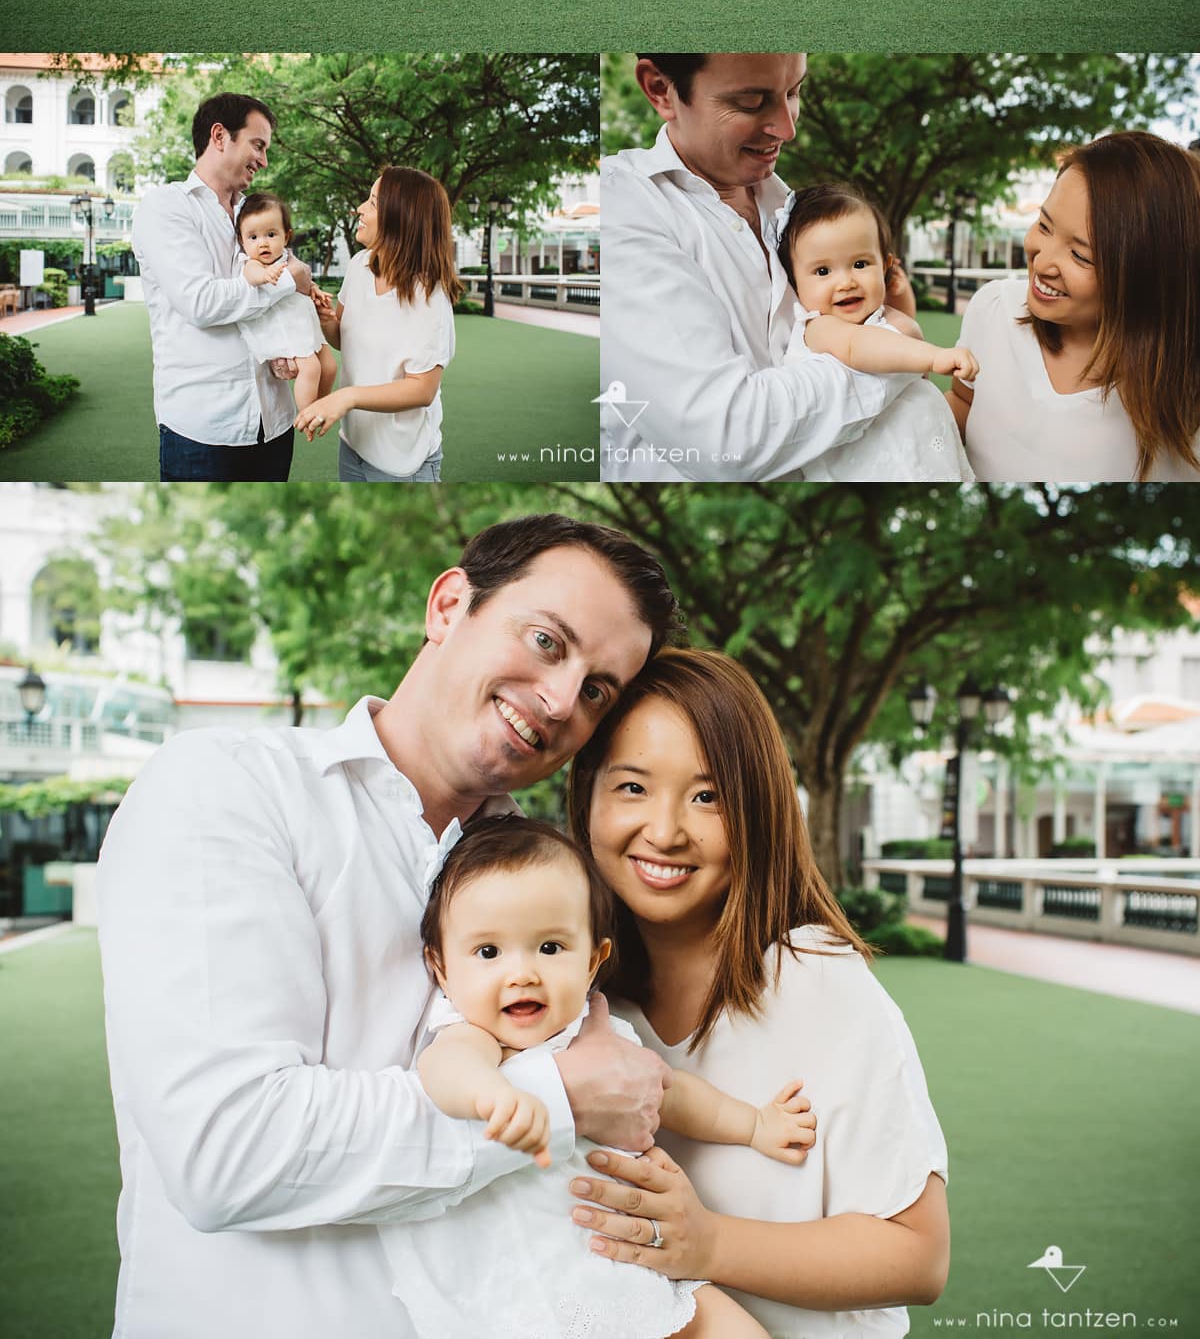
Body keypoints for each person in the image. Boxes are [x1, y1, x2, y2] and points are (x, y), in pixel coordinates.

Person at [96, 515, 681, 1339]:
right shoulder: (227, 788)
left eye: (596, 689)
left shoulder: (549, 879)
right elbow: (229, 1150)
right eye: (548, 641)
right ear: (448, 605)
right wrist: (559, 1099)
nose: (560, 699)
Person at [567, 649, 950, 1337]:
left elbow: (918, 1254)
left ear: (758, 810)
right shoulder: (577, 1004)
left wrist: (707, 1241)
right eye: (631, 787)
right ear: (586, 794)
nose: (665, 829)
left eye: (707, 795)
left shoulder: (817, 980)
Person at [383, 815, 814, 1339]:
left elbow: (669, 1091)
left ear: (594, 960)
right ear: (442, 968)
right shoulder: (476, 1037)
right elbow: (444, 1069)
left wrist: (752, 1125)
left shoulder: (600, 1031)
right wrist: (490, 1094)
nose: (522, 973)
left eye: (550, 947)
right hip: (533, 1277)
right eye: (489, 952)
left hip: (625, 1257)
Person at [600, 55, 917, 481]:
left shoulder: (794, 212)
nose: (788, 128)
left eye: (794, 92)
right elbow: (726, 440)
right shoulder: (622, 206)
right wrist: (895, 349)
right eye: (751, 102)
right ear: (660, 88)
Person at [949, 131, 1200, 480]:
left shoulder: (1185, 388)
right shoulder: (993, 308)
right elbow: (963, 404)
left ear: (1148, 278)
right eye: (1044, 224)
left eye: (1081, 255)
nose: (1042, 261)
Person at [131, 92, 313, 481]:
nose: (264, 160)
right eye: (258, 145)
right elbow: (201, 303)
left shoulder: (255, 212)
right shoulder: (165, 207)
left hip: (274, 421)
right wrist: (288, 282)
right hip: (204, 429)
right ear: (219, 136)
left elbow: (295, 267)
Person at [777, 185, 976, 478]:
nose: (845, 282)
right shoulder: (818, 327)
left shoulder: (874, 318)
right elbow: (859, 347)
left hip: (922, 452)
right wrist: (934, 356)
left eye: (860, 264)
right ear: (794, 281)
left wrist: (901, 302)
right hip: (874, 466)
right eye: (823, 271)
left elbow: (900, 334)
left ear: (885, 265)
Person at [294, 165, 459, 482]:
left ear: (400, 218)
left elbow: (422, 389)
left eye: (372, 202)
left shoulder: (430, 298)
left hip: (402, 463)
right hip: (353, 445)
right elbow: (342, 336)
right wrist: (325, 317)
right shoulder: (359, 266)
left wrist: (345, 397)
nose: (360, 209)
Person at [234, 191, 338, 416]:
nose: (262, 243)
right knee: (311, 368)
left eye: (271, 234)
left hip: (304, 322)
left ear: (286, 236)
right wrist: (265, 275)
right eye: (253, 237)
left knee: (329, 367)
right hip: (285, 328)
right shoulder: (251, 262)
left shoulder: (286, 257)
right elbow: (251, 275)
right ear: (242, 241)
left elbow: (304, 280)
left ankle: (321, 405)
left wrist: (315, 290)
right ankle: (307, 414)